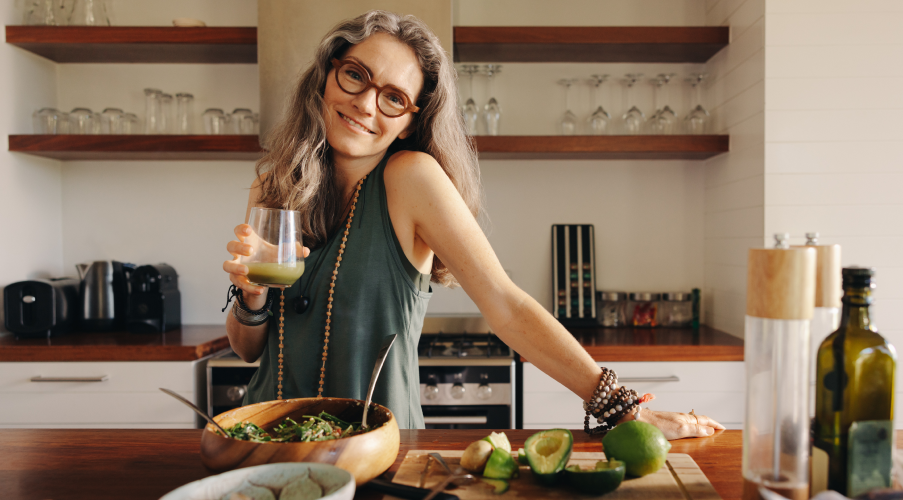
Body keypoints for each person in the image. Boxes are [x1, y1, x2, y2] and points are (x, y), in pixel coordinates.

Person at [222, 10, 724, 439]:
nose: (366, 103)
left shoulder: (410, 178)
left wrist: (621, 408)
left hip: (374, 452)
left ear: (412, 121)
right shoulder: (274, 184)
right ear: (329, 75)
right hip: (267, 442)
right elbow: (247, 350)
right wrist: (250, 295)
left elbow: (506, 305)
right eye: (355, 75)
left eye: (394, 97)